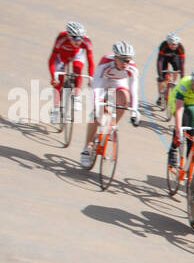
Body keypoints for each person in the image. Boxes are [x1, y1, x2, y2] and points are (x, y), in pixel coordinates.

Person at [83, 40, 139, 168]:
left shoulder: (132, 69)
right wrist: (97, 106)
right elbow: (96, 87)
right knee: (97, 115)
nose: (126, 63)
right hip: (103, 82)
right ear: (115, 58)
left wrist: (135, 112)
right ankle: (87, 147)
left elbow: (134, 91)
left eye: (128, 60)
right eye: (123, 60)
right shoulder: (105, 63)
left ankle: (112, 125)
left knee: (124, 99)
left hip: (119, 83)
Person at [47, 21, 95, 125]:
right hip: (62, 56)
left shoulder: (86, 42)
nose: (78, 41)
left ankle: (77, 97)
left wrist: (91, 78)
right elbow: (51, 60)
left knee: (78, 71)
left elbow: (91, 62)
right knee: (58, 82)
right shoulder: (61, 39)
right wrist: (53, 77)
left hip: (78, 55)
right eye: (74, 37)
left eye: (80, 37)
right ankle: (55, 110)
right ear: (68, 35)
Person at [155, 33, 186, 107]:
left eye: (175, 44)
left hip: (174, 58)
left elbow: (182, 63)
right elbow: (159, 61)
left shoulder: (180, 48)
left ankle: (174, 82)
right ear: (168, 43)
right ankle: (160, 96)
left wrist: (182, 77)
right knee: (161, 78)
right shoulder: (163, 45)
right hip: (164, 58)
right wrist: (160, 75)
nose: (173, 46)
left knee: (177, 68)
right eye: (171, 44)